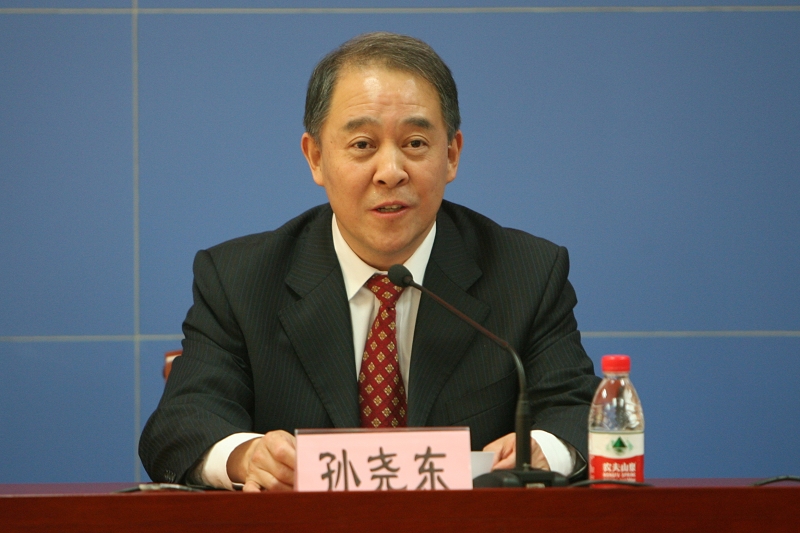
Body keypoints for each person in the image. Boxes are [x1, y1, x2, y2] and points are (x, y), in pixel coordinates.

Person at [139, 32, 600, 491]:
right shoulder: (240, 280)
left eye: (415, 143)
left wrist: (544, 448)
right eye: (362, 145)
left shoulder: (526, 273)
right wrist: (246, 457)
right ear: (316, 158)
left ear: (451, 155)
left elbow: (579, 411)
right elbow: (182, 421)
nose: (391, 172)